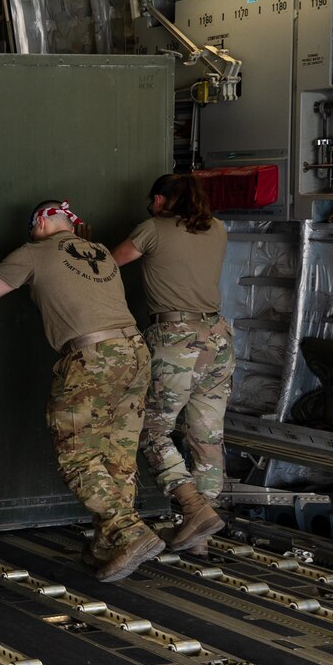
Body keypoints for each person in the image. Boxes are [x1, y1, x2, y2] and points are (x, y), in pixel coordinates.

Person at [0, 199, 164, 582]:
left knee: (76, 456)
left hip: (91, 355)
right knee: (117, 455)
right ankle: (110, 544)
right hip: (135, 352)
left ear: (41, 223)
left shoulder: (32, 252)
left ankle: (130, 531)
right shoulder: (101, 254)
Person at [113, 173, 231, 555]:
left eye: (153, 200)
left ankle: (194, 510)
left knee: (151, 430)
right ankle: (201, 531)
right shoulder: (217, 229)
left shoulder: (152, 229)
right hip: (219, 337)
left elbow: (109, 265)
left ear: (161, 201)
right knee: (206, 435)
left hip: (176, 340)